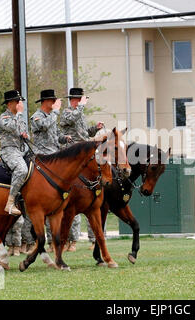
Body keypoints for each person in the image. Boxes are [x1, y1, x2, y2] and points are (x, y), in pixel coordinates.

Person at [60, 87, 104, 251]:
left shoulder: (80, 113)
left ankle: (94, 238)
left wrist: (95, 128)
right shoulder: (67, 112)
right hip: (72, 152)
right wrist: (82, 106)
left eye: (81, 100)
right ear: (73, 100)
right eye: (78, 99)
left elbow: (84, 132)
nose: (80, 102)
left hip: (85, 150)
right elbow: (71, 121)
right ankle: (68, 240)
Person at [30, 89, 71, 252]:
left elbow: (56, 134)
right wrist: (55, 112)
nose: (54, 103)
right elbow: (45, 127)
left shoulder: (51, 116)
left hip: (55, 155)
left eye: (55, 101)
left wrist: (64, 138)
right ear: (45, 102)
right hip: (43, 157)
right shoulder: (37, 116)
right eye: (52, 101)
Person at [0, 89, 28, 216]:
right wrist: (19, 113)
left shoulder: (19, 118)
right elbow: (12, 127)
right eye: (18, 102)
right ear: (10, 103)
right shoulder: (4, 118)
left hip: (22, 150)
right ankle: (10, 202)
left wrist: (26, 136)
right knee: (21, 170)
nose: (20, 104)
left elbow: (25, 132)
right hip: (9, 151)